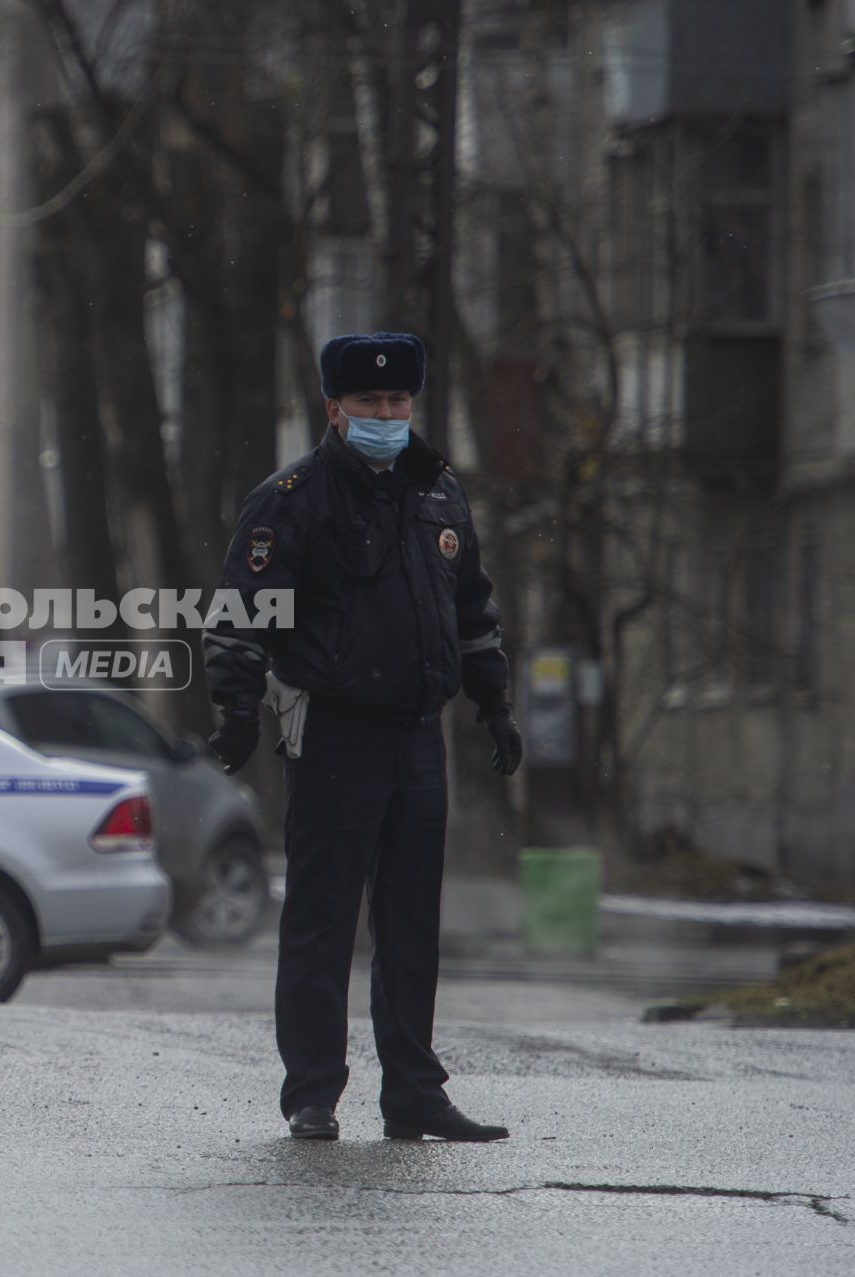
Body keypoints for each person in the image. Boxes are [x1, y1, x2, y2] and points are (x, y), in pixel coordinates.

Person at [204, 331, 524, 1143]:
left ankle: (414, 1091)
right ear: (334, 408)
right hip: (335, 733)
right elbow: (241, 609)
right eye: (370, 403)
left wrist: (495, 702)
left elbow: (472, 609)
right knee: (322, 919)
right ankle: (313, 1090)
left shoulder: (439, 492)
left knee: (412, 921)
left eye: (397, 401)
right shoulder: (293, 497)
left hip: (419, 736)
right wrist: (237, 710)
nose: (386, 414)